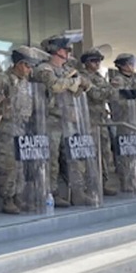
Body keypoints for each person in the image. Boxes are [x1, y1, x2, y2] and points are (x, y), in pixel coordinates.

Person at [0, 46, 46, 214]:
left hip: (22, 126)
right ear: (19, 64)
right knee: (8, 164)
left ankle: (18, 195)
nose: (29, 70)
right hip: (5, 126)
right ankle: (7, 198)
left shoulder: (26, 83)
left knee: (20, 165)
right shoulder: (2, 79)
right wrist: (3, 98)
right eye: (27, 66)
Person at [34, 35, 91, 207]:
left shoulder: (68, 70)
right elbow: (55, 86)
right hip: (51, 120)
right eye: (66, 49)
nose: (68, 53)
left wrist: (78, 82)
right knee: (52, 159)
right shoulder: (44, 68)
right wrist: (73, 82)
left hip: (69, 120)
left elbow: (85, 85)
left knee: (74, 158)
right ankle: (52, 193)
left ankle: (78, 192)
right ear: (58, 50)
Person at [78, 48, 118, 196]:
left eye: (99, 61)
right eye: (94, 61)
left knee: (105, 153)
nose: (97, 64)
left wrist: (109, 90)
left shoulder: (100, 77)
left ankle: (102, 182)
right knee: (91, 154)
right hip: (88, 121)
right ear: (86, 62)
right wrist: (110, 88)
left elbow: (111, 95)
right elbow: (95, 94)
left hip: (100, 120)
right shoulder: (83, 76)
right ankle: (90, 184)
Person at [109, 53, 136, 193]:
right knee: (125, 152)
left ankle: (135, 180)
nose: (132, 66)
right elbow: (114, 100)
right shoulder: (118, 80)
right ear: (122, 65)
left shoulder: (133, 81)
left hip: (134, 120)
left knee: (134, 152)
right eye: (130, 63)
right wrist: (126, 97)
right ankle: (126, 182)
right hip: (123, 120)